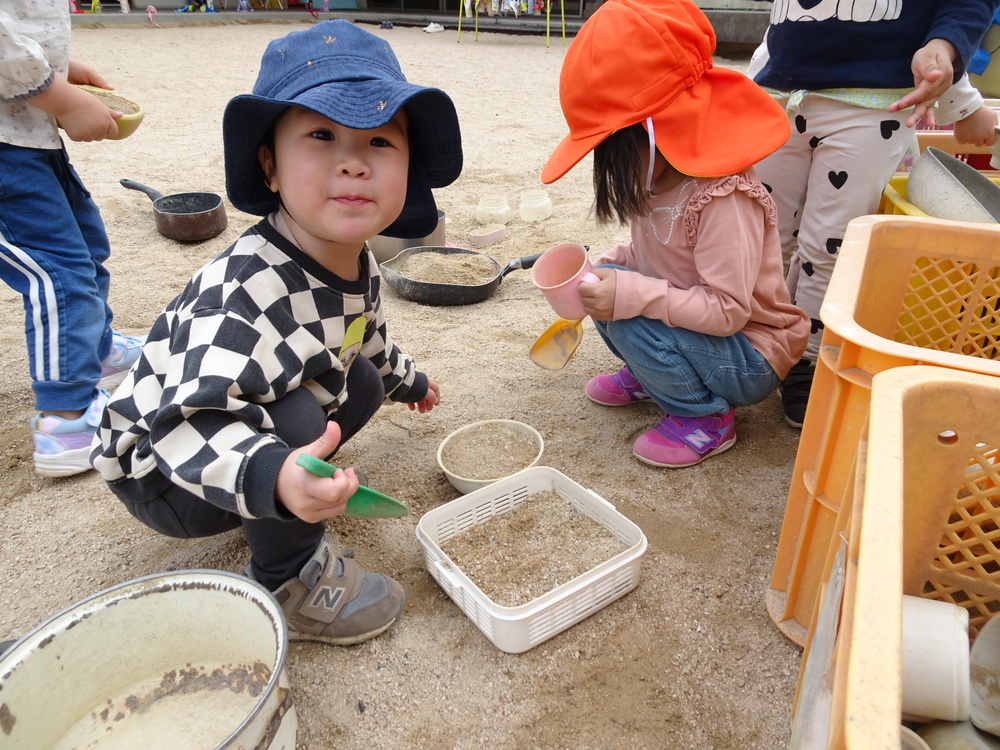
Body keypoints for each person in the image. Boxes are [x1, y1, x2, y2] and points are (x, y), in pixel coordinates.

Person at [90, 20, 463, 645]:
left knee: (362, 382)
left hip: (230, 423)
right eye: (321, 135)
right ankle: (287, 578)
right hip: (164, 466)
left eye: (379, 140)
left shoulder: (357, 259)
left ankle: (280, 480)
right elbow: (187, 420)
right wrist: (274, 473)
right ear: (269, 165)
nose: (352, 162)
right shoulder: (242, 292)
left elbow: (364, 338)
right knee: (298, 420)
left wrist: (412, 382)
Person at [539, 0, 810, 469]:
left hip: (750, 353)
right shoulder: (655, 175)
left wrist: (629, 294)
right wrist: (611, 265)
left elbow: (728, 312)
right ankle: (655, 374)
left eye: (612, 148)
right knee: (606, 285)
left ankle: (704, 416)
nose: (610, 167)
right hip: (700, 331)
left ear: (658, 128)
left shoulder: (723, 199)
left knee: (624, 307)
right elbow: (653, 255)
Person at [749, 0, 999, 427]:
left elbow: (963, 8)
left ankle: (807, 361)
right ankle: (757, 338)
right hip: (779, 93)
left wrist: (956, 82)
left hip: (872, 104)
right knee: (762, 234)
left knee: (828, 243)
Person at [0, 0, 146, 478]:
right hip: (6, 149)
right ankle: (65, 420)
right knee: (57, 272)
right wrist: (58, 96)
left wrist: (58, 71)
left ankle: (93, 352)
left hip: (27, 135)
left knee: (85, 244)